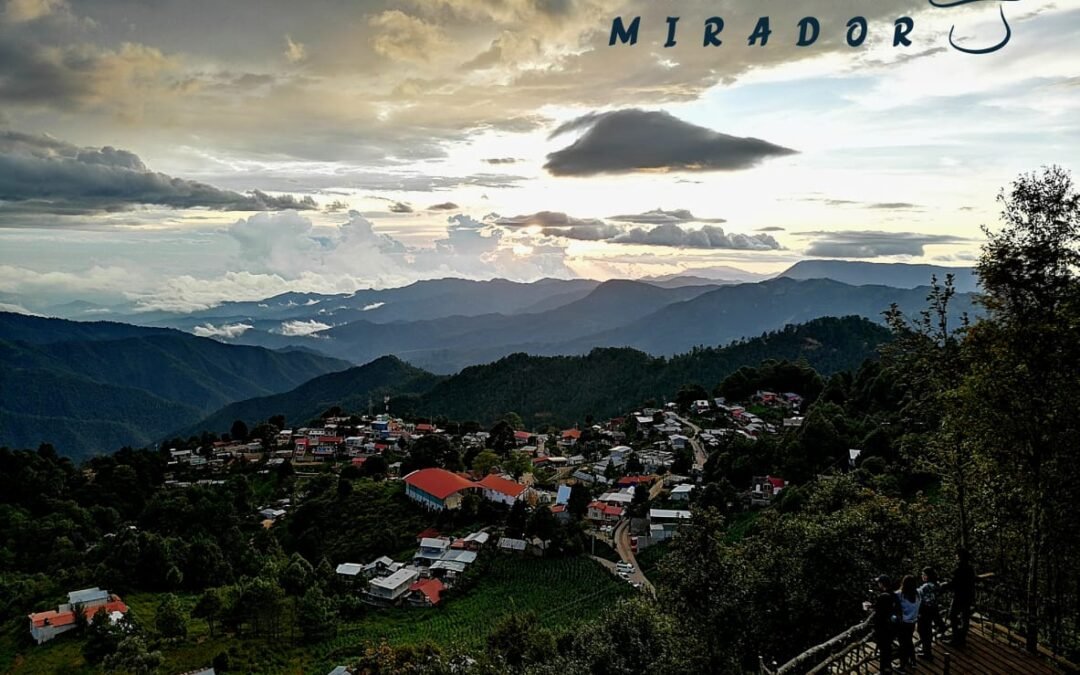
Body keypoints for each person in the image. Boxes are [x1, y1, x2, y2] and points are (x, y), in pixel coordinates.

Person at [868, 575, 901, 674]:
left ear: (882, 584)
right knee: (887, 648)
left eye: (879, 582)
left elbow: (879, 612)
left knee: (884, 650)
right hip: (893, 627)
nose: (878, 584)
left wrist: (869, 609)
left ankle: (884, 670)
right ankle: (888, 667)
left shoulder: (883, 596)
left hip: (884, 628)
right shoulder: (894, 595)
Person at [946, 548, 976, 646]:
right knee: (965, 617)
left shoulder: (958, 569)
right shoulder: (970, 568)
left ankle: (956, 638)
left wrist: (944, 585)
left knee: (952, 615)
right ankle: (961, 638)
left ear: (960, 557)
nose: (956, 558)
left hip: (959, 595)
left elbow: (954, 583)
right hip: (968, 595)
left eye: (957, 556)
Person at [918, 566, 946, 659]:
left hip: (925, 610)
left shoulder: (926, 586)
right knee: (927, 630)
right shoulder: (936, 584)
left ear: (927, 576)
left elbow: (918, 594)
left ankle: (927, 652)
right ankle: (926, 649)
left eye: (923, 574)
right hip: (933, 609)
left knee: (923, 631)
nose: (922, 576)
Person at [895, 575, 921, 670]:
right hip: (912, 622)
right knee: (909, 642)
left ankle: (902, 665)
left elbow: (891, 596)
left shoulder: (900, 594)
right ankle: (913, 662)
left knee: (902, 644)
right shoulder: (917, 594)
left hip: (903, 623)